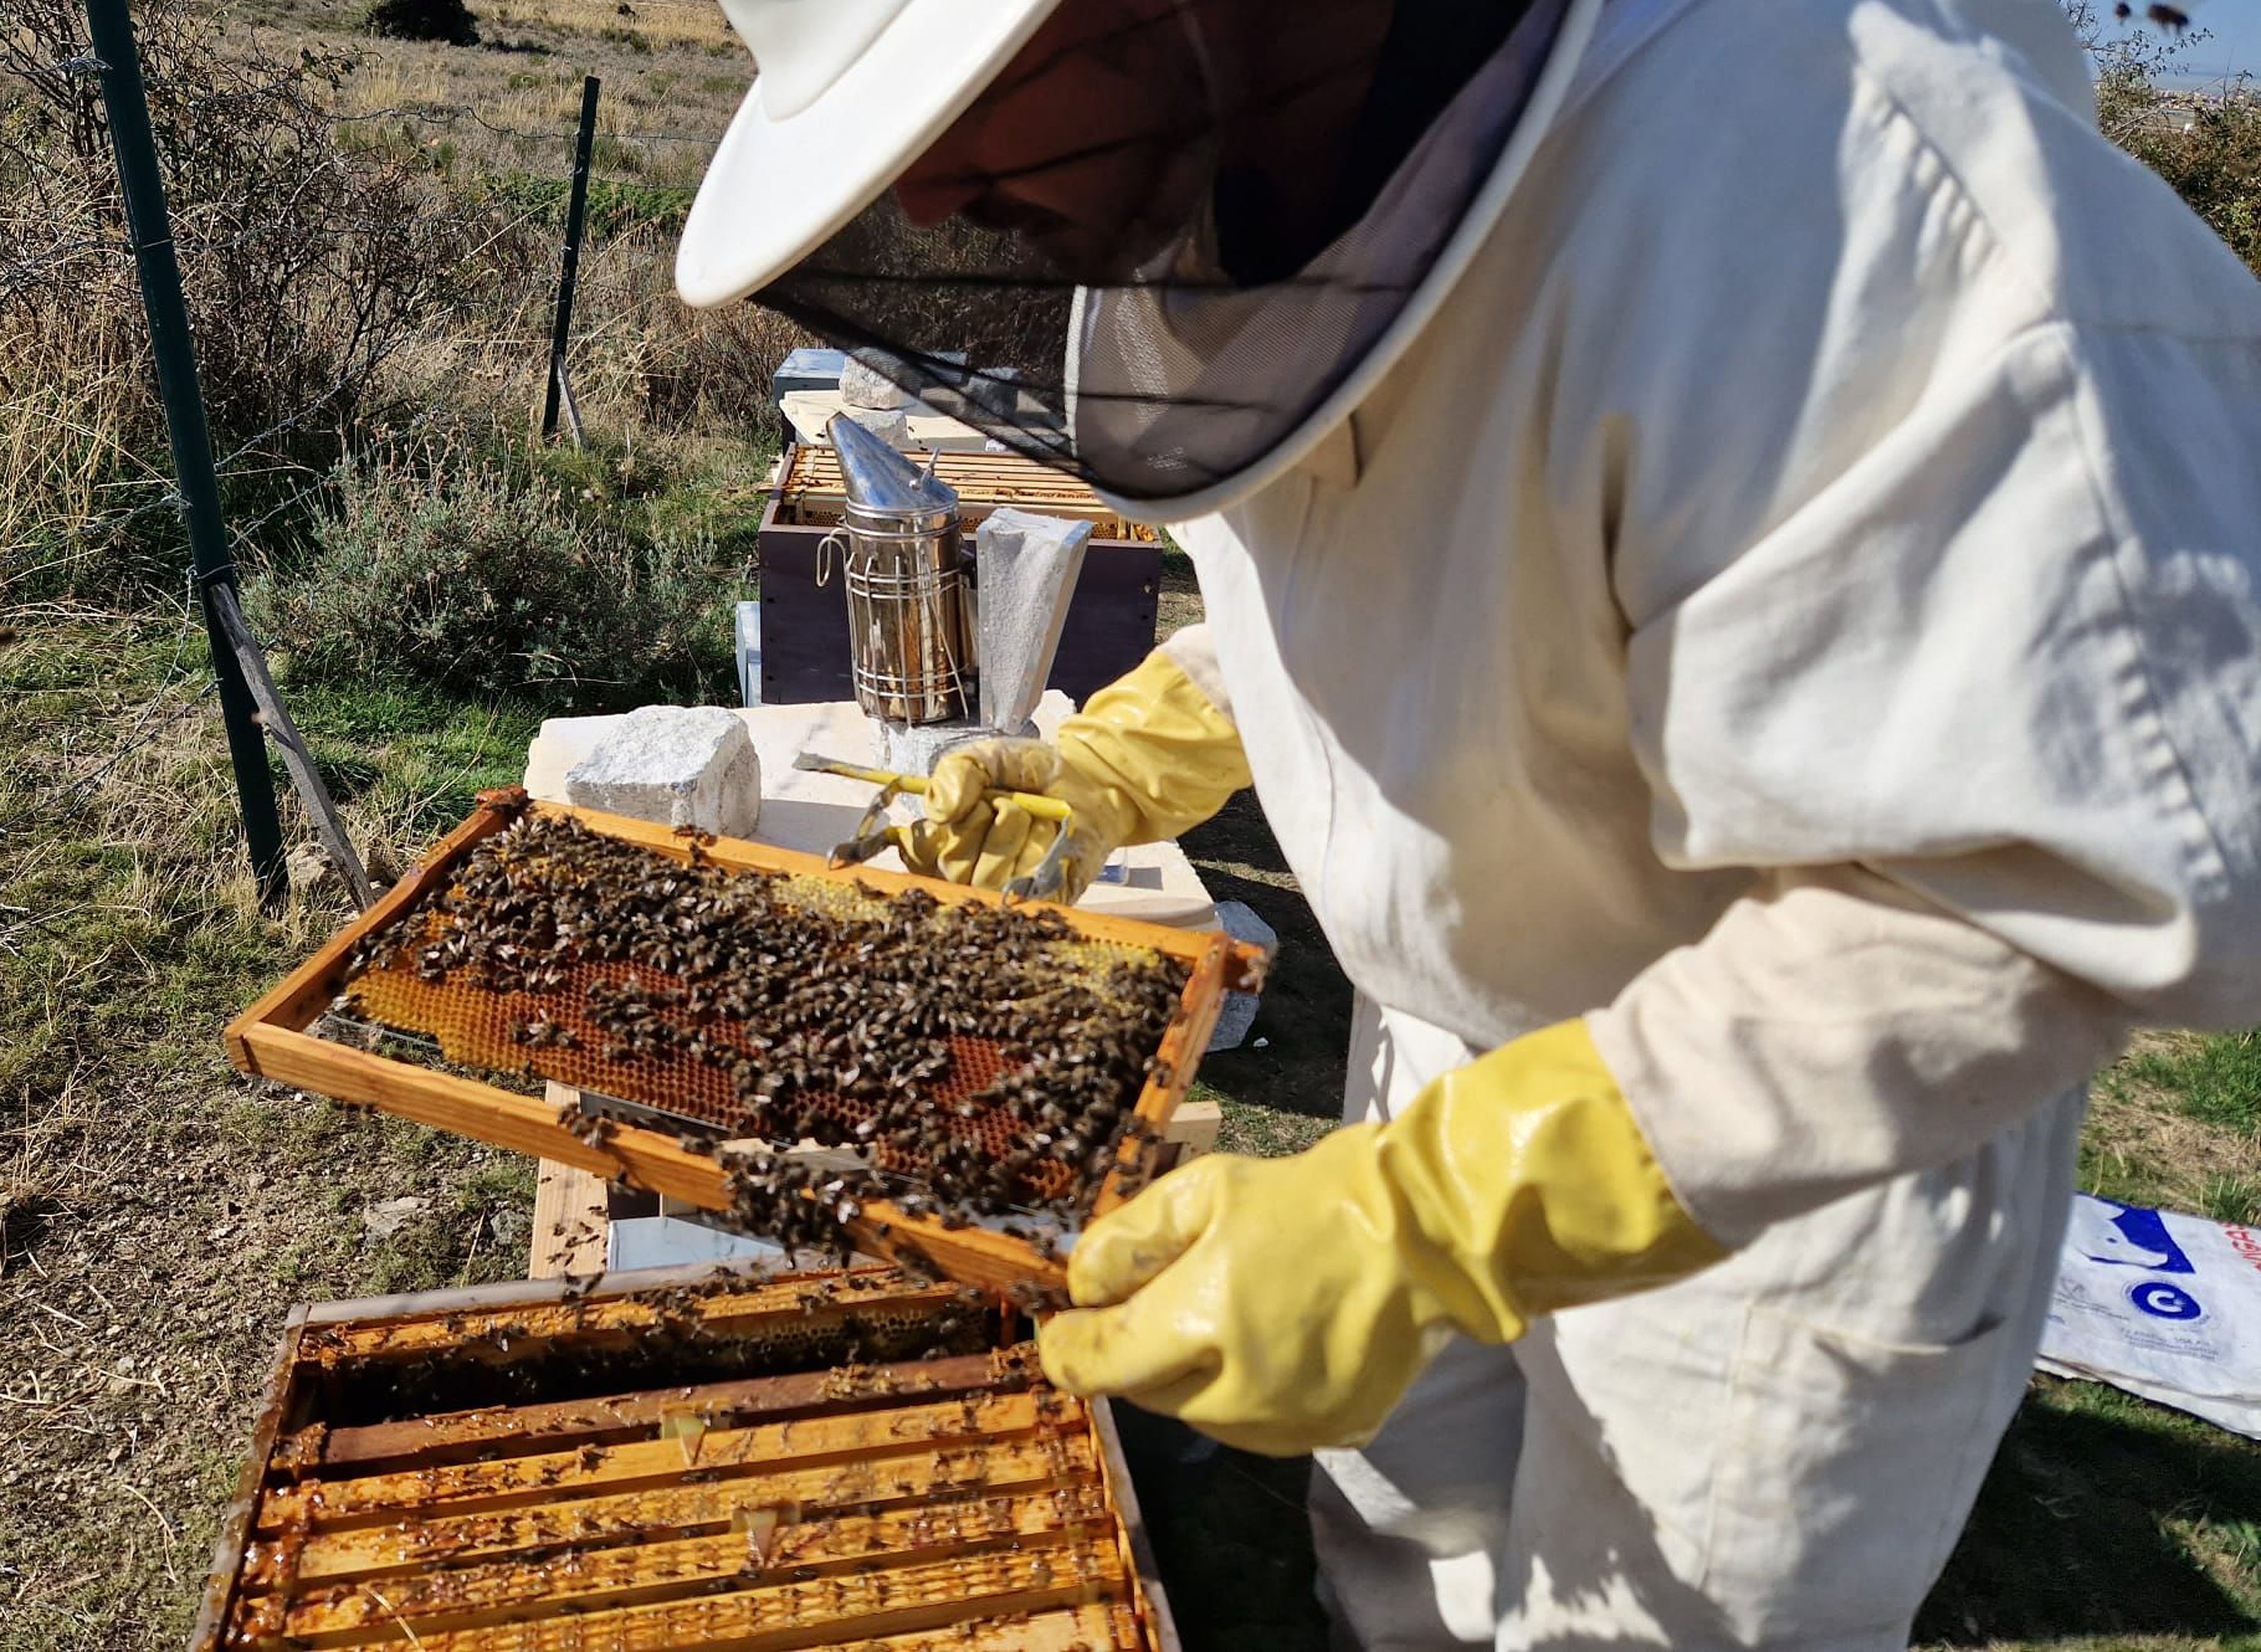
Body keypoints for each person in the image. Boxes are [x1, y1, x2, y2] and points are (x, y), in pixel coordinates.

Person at [677, 0, 2261, 1644]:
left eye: (966, 101)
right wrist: (1112, 760)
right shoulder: (1256, 188)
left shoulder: (1844, 191)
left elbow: (2050, 874)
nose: (928, 199)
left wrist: (1445, 1209)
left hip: (1775, 1149)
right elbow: (1373, 576)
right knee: (1397, 1549)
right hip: (1436, 1045)